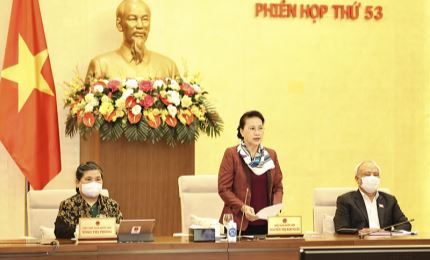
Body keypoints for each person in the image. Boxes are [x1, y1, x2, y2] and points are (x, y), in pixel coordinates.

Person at [218, 110, 283, 235]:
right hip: (238, 223)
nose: (257, 133)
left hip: (266, 224)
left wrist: (275, 208)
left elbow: (278, 187)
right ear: (242, 131)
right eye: (252, 128)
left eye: (260, 128)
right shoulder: (232, 154)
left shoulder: (271, 155)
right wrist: (243, 207)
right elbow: (224, 189)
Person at [86, 0, 179, 80]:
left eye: (145, 19)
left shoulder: (168, 67)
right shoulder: (101, 65)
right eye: (132, 19)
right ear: (119, 24)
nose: (140, 25)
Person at [333, 161, 411, 234]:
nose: (372, 177)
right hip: (359, 244)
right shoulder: (346, 200)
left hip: (385, 244)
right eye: (367, 174)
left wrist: (388, 233)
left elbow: (405, 224)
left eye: (376, 175)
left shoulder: (389, 200)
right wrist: (360, 231)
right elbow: (341, 228)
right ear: (357, 179)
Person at [54, 161, 123, 239]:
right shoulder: (68, 204)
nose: (94, 183)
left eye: (98, 179)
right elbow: (59, 232)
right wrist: (87, 229)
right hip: (79, 249)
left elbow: (123, 230)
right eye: (88, 179)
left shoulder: (112, 204)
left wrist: (116, 228)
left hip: (107, 248)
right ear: (77, 183)